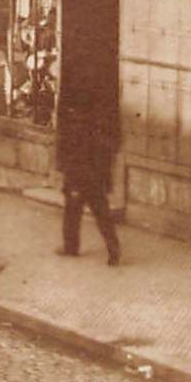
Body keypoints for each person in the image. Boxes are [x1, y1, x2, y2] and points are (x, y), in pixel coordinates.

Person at [56, 104, 122, 265]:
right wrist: (106, 183)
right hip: (96, 184)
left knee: (72, 215)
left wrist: (71, 184)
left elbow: (73, 163)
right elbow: (106, 161)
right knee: (103, 217)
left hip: (79, 183)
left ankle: (71, 248)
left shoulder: (74, 137)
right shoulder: (99, 137)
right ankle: (114, 250)